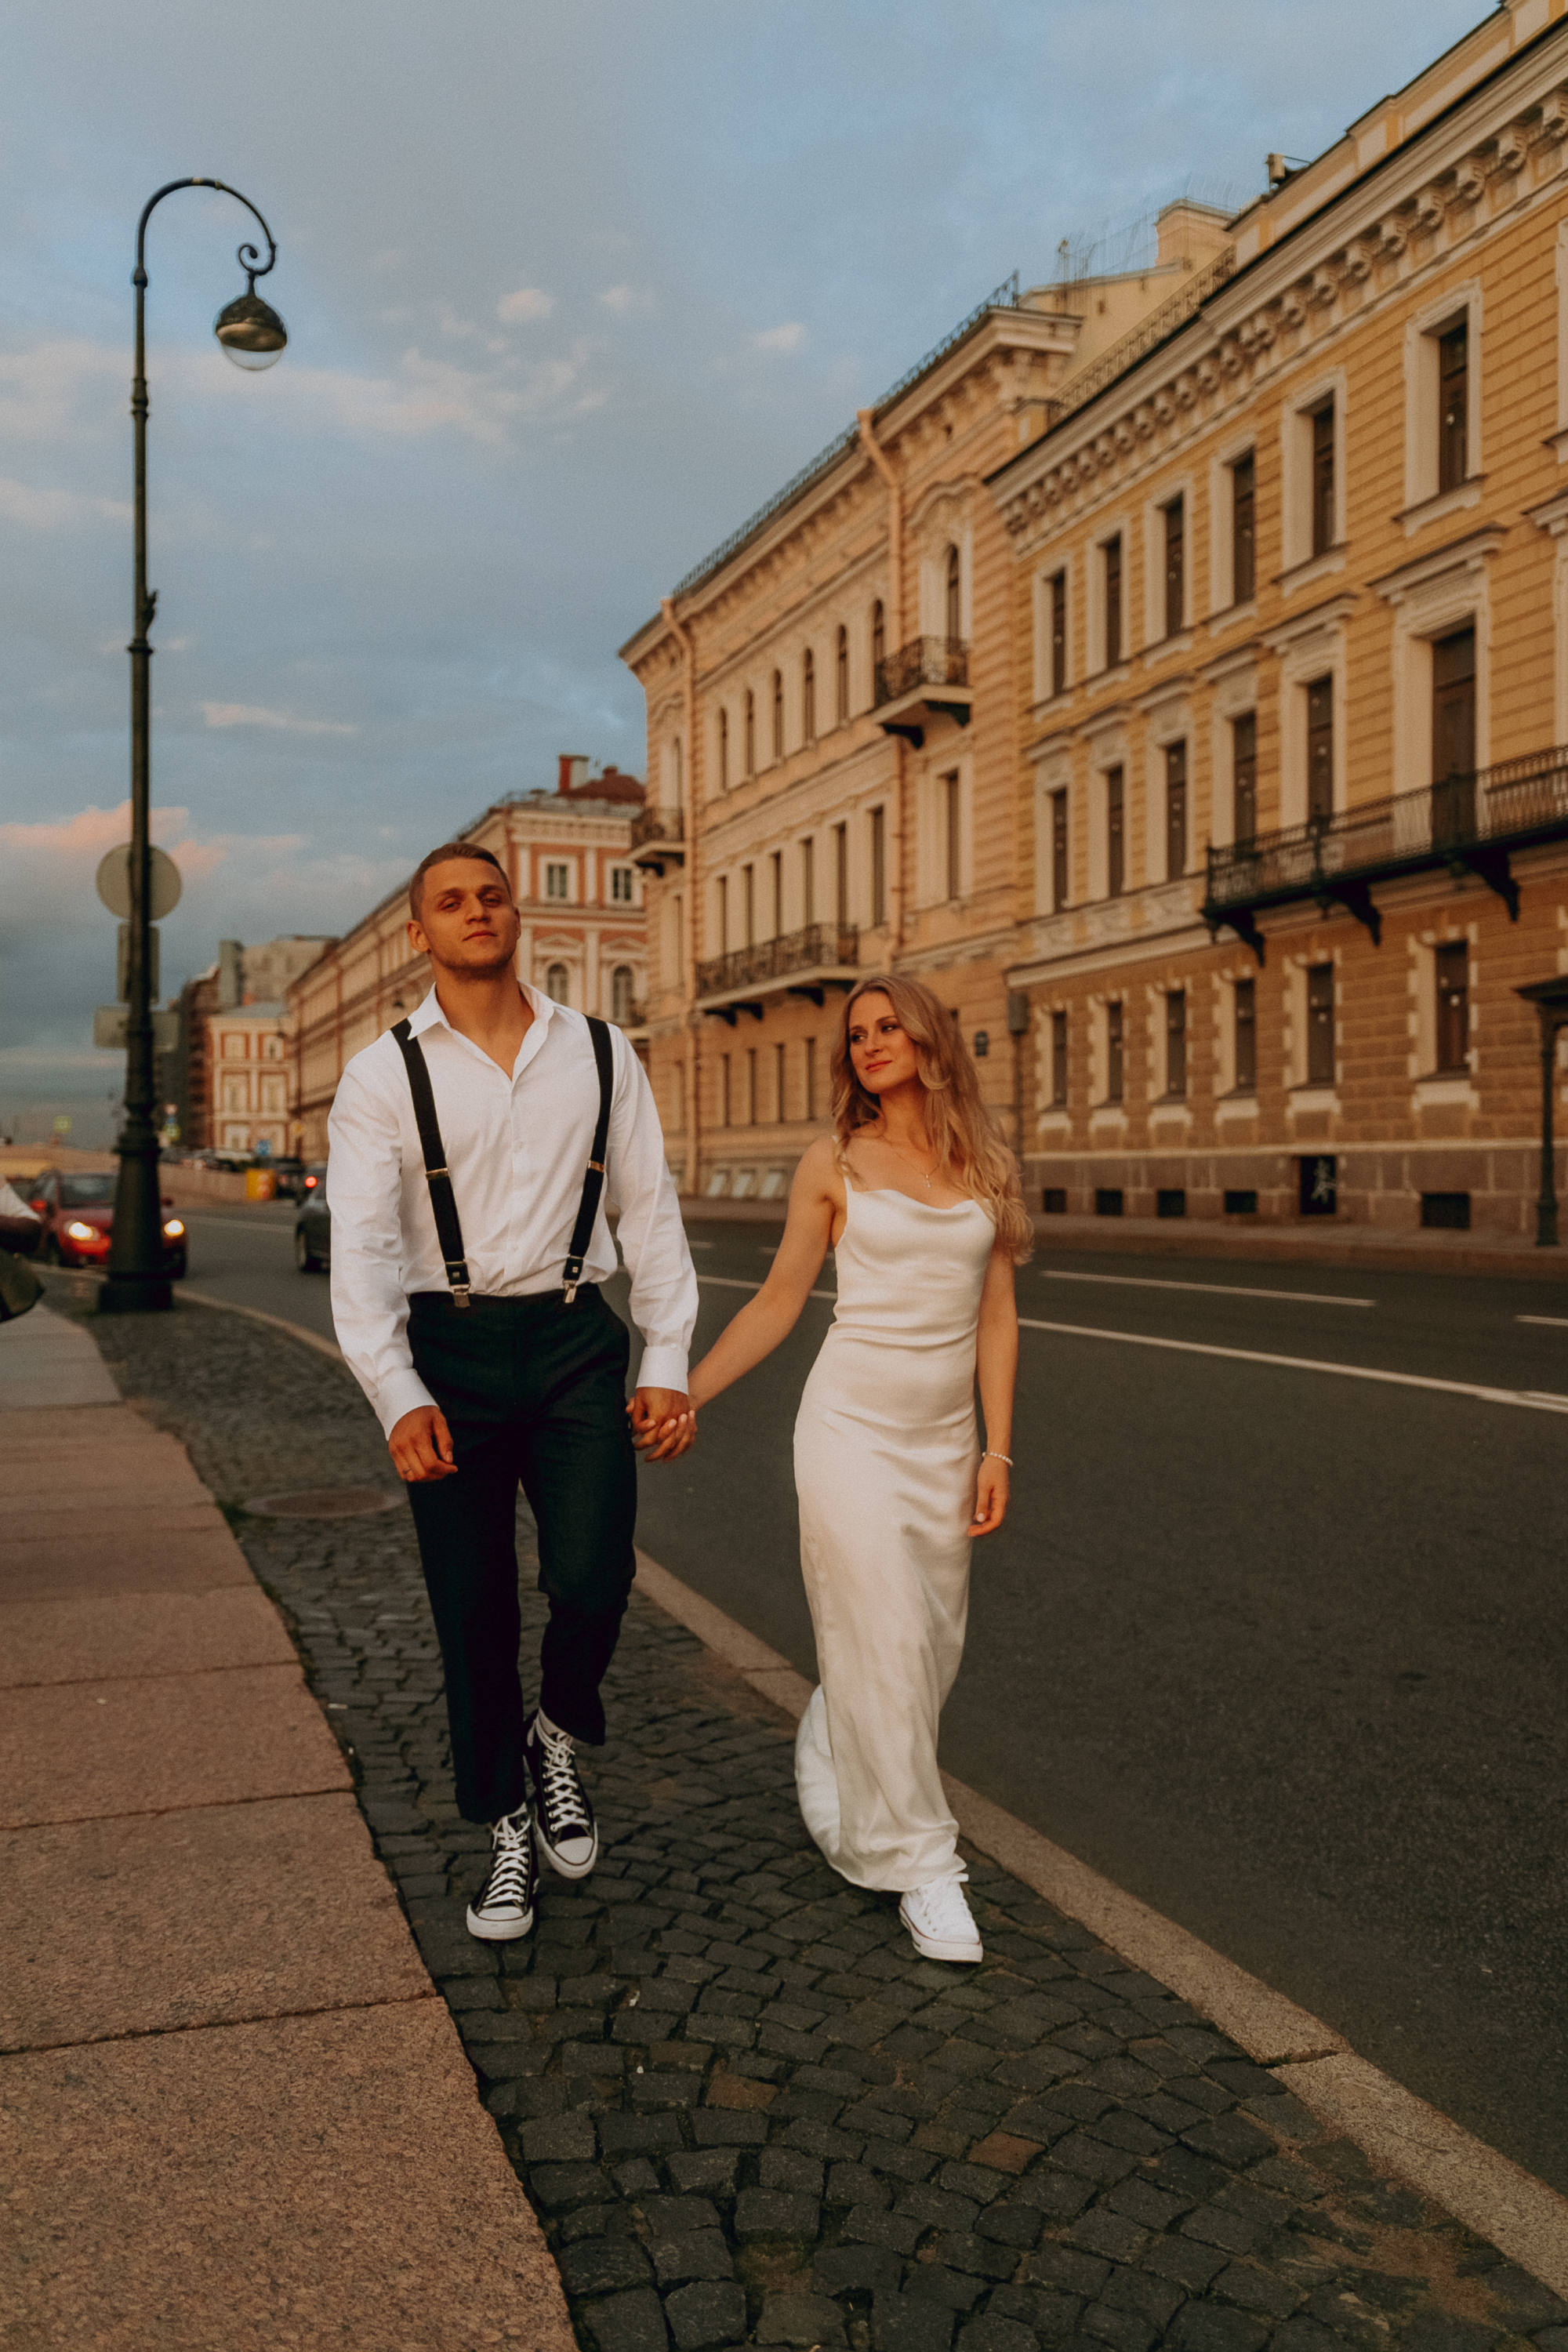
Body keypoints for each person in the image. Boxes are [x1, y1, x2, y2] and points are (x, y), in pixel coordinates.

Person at [328, 842, 697, 1945]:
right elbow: (359, 1250)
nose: (475, 912)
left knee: (593, 1576)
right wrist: (396, 1389)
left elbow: (651, 1212)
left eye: (490, 895)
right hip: (449, 1351)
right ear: (420, 934)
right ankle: (500, 1824)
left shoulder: (598, 1050)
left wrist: (667, 1358)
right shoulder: (382, 1074)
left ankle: (556, 1734)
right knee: (473, 1603)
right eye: (451, 901)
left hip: (578, 1338)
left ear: (514, 914)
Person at [685, 975, 1028, 1965]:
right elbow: (778, 1301)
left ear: (928, 1039)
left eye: (888, 1027)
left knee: (922, 1647)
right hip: (847, 1430)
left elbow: (996, 1318)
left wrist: (995, 1448)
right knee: (883, 1630)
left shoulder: (984, 1162)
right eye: (858, 1034)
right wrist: (683, 1393)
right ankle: (923, 1866)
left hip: (942, 1442)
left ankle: (843, 1752)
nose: (871, 1043)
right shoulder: (831, 1162)